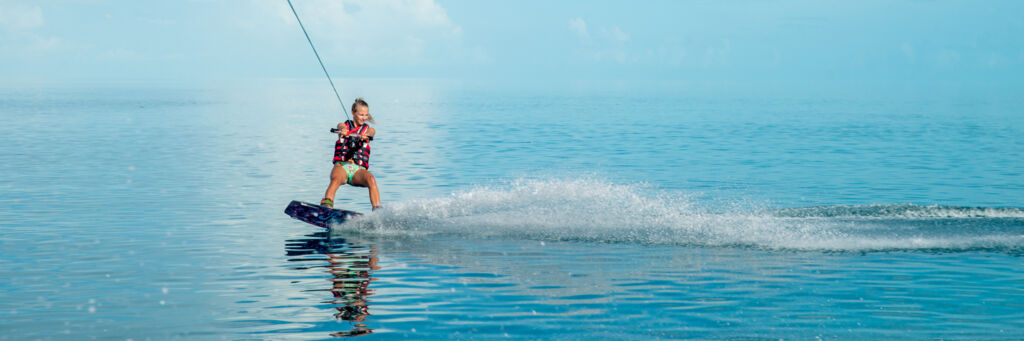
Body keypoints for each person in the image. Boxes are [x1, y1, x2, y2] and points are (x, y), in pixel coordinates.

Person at [321, 98, 381, 210]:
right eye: (361, 114)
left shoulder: (369, 130)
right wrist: (343, 130)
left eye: (366, 115)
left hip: (358, 170)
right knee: (336, 180)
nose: (364, 118)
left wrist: (366, 135)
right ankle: (326, 206)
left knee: (371, 179)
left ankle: (378, 211)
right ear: (353, 113)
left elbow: (371, 132)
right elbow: (340, 125)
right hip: (342, 167)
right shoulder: (345, 126)